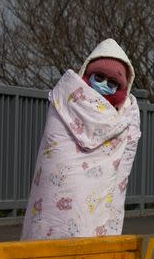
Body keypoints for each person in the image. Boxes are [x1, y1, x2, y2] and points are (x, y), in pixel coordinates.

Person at [21, 38, 141, 240]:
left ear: (121, 88)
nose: (104, 85)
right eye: (99, 77)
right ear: (87, 74)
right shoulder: (126, 116)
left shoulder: (63, 98)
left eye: (112, 83)